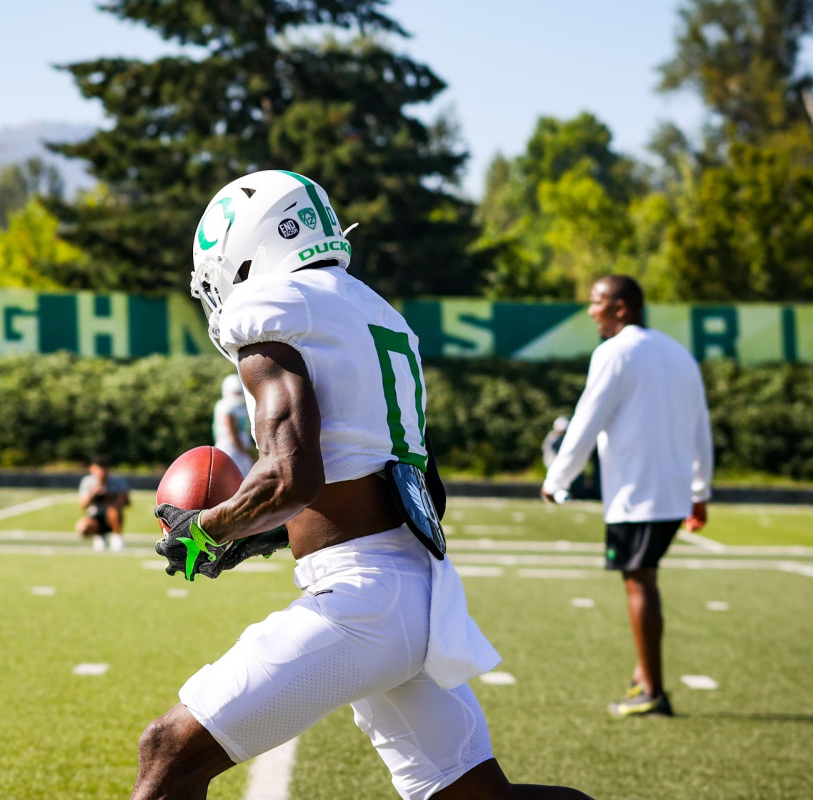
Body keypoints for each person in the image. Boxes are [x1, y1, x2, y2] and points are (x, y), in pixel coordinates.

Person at [137, 170, 593, 800]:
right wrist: (261, 533)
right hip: (416, 594)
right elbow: (406, 481)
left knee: (168, 752)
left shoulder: (269, 307)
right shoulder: (377, 313)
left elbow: (291, 475)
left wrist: (206, 532)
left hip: (361, 598)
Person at [541, 275, 712, 718]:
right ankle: (644, 679)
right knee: (645, 578)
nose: (591, 310)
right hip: (671, 493)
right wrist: (700, 490)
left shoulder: (614, 352)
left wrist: (558, 477)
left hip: (638, 494)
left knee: (639, 581)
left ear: (621, 307)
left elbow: (586, 419)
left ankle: (653, 692)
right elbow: (701, 427)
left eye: (597, 302)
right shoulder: (679, 352)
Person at [75, 454, 130, 552]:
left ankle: (116, 537)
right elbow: (83, 505)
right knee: (83, 527)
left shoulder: (118, 481)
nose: (102, 472)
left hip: (112, 515)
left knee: (113, 511)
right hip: (95, 516)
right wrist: (93, 493)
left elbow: (126, 502)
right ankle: (100, 535)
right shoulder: (87, 481)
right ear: (92, 468)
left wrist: (109, 498)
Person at [211, 373, 254, 476]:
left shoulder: (242, 407)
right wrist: (245, 451)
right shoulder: (225, 406)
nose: (239, 396)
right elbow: (232, 432)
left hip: (242, 448)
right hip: (230, 449)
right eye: (236, 392)